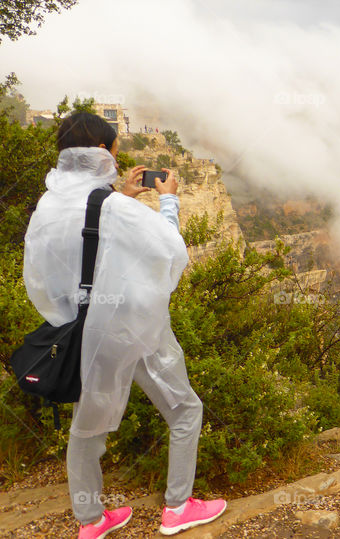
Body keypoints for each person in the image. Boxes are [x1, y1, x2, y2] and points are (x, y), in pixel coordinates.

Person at [22, 112, 226, 539]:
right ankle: (178, 507)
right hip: (132, 327)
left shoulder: (50, 204)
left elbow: (56, 264)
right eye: (115, 151)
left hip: (80, 332)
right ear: (101, 151)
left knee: (86, 427)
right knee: (184, 410)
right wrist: (168, 200)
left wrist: (121, 196)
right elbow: (169, 251)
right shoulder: (112, 207)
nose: (117, 159)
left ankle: (91, 521)